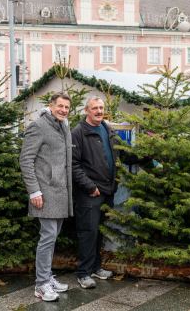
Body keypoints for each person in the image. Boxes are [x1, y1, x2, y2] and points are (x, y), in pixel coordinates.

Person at [20, 92, 73, 301]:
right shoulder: (39, 126)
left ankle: (47, 277)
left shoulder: (64, 126)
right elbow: (26, 160)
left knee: (52, 238)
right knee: (48, 237)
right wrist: (34, 190)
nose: (63, 110)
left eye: (67, 107)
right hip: (44, 192)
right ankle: (41, 285)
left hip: (60, 192)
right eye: (60, 106)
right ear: (51, 106)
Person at [71, 96, 116, 289]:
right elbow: (73, 164)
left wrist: (148, 156)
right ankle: (83, 273)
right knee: (87, 232)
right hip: (90, 192)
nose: (99, 111)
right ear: (87, 111)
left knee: (99, 231)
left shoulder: (107, 128)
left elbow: (121, 151)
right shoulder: (79, 132)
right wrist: (90, 186)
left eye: (101, 107)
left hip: (107, 190)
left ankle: (96, 267)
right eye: (95, 108)